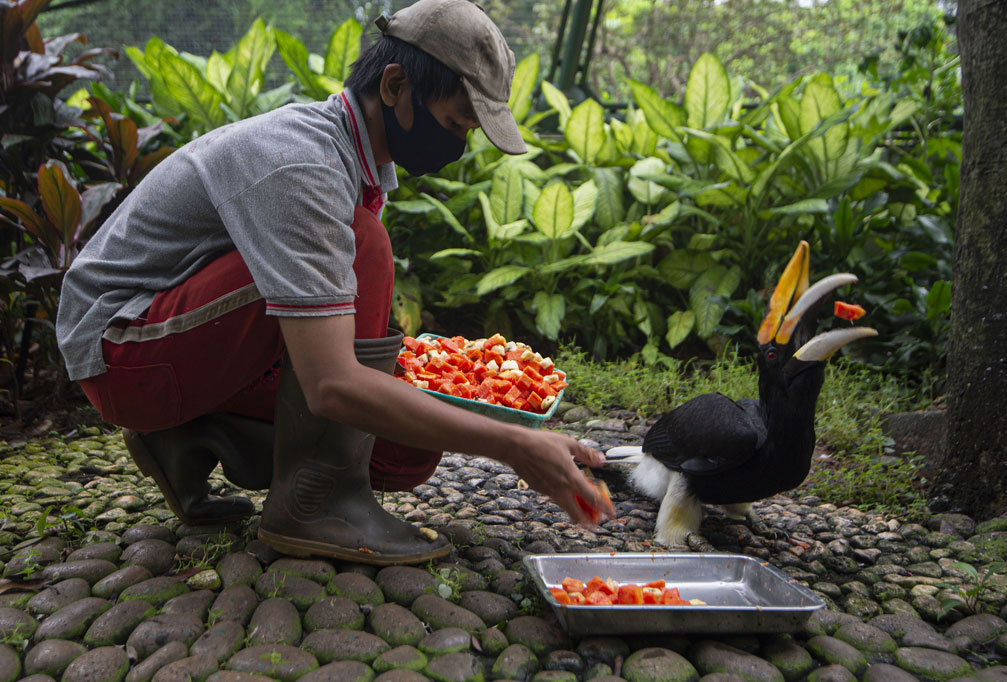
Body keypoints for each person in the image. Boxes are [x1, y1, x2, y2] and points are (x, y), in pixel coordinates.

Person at [55, 0, 614, 565]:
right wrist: (516, 445)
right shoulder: (303, 165)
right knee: (364, 247)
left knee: (404, 453)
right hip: (123, 351)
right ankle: (312, 507)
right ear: (395, 86)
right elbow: (330, 385)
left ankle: (184, 436)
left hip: (173, 345)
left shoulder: (351, 155)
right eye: (453, 124)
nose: (457, 146)